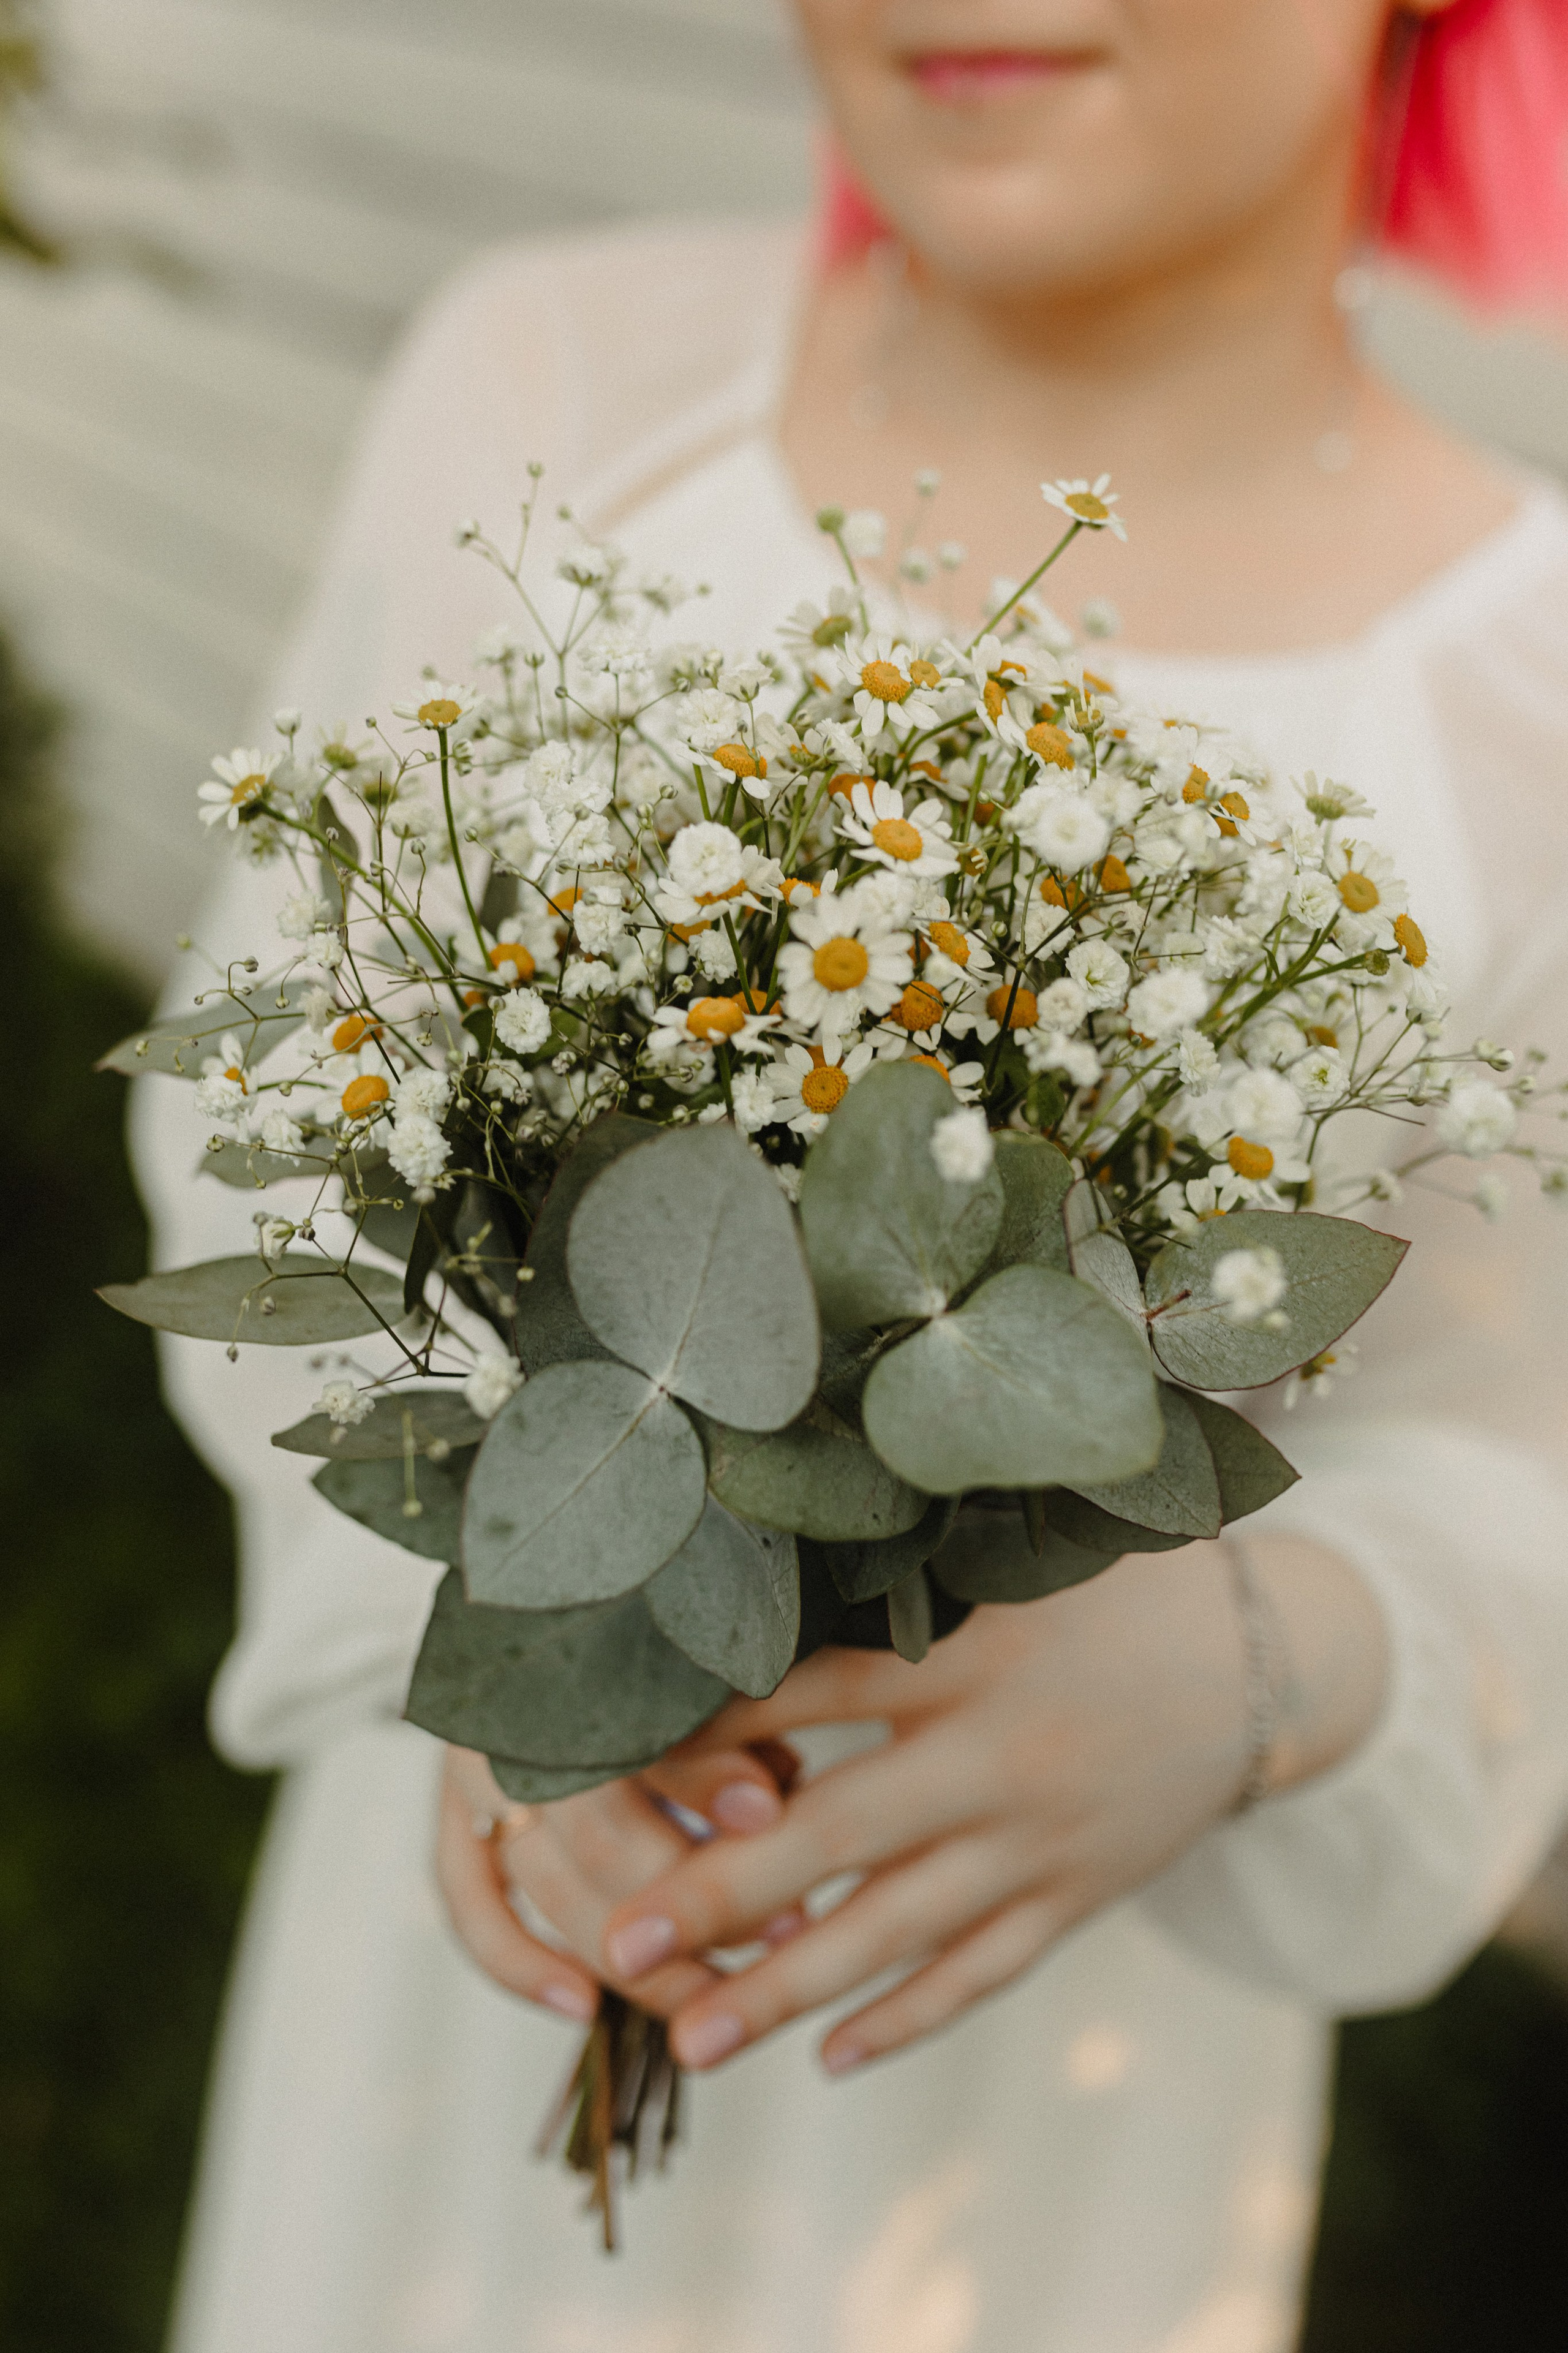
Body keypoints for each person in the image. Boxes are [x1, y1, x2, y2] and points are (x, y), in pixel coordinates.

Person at [140, 4, 1568, 2347]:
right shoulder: (553, 391)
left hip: (1032, 2140)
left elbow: (1520, 1486)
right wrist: (504, 1650)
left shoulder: (1527, 698)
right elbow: (266, 1126)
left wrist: (1234, 1669)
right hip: (483, 1972)